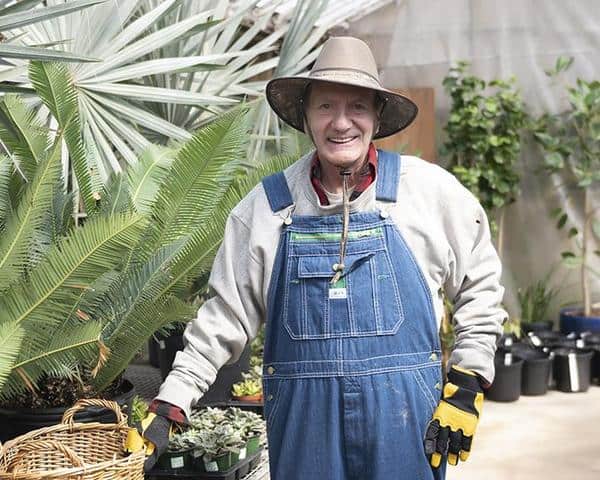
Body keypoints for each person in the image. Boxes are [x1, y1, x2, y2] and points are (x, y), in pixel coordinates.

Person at [134, 36, 506, 479]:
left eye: (358, 107)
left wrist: (467, 381)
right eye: (326, 106)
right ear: (306, 115)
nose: (341, 123)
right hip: (304, 432)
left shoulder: (429, 194)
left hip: (404, 425)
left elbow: (480, 286)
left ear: (377, 116)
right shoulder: (266, 209)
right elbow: (223, 316)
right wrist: (171, 402)